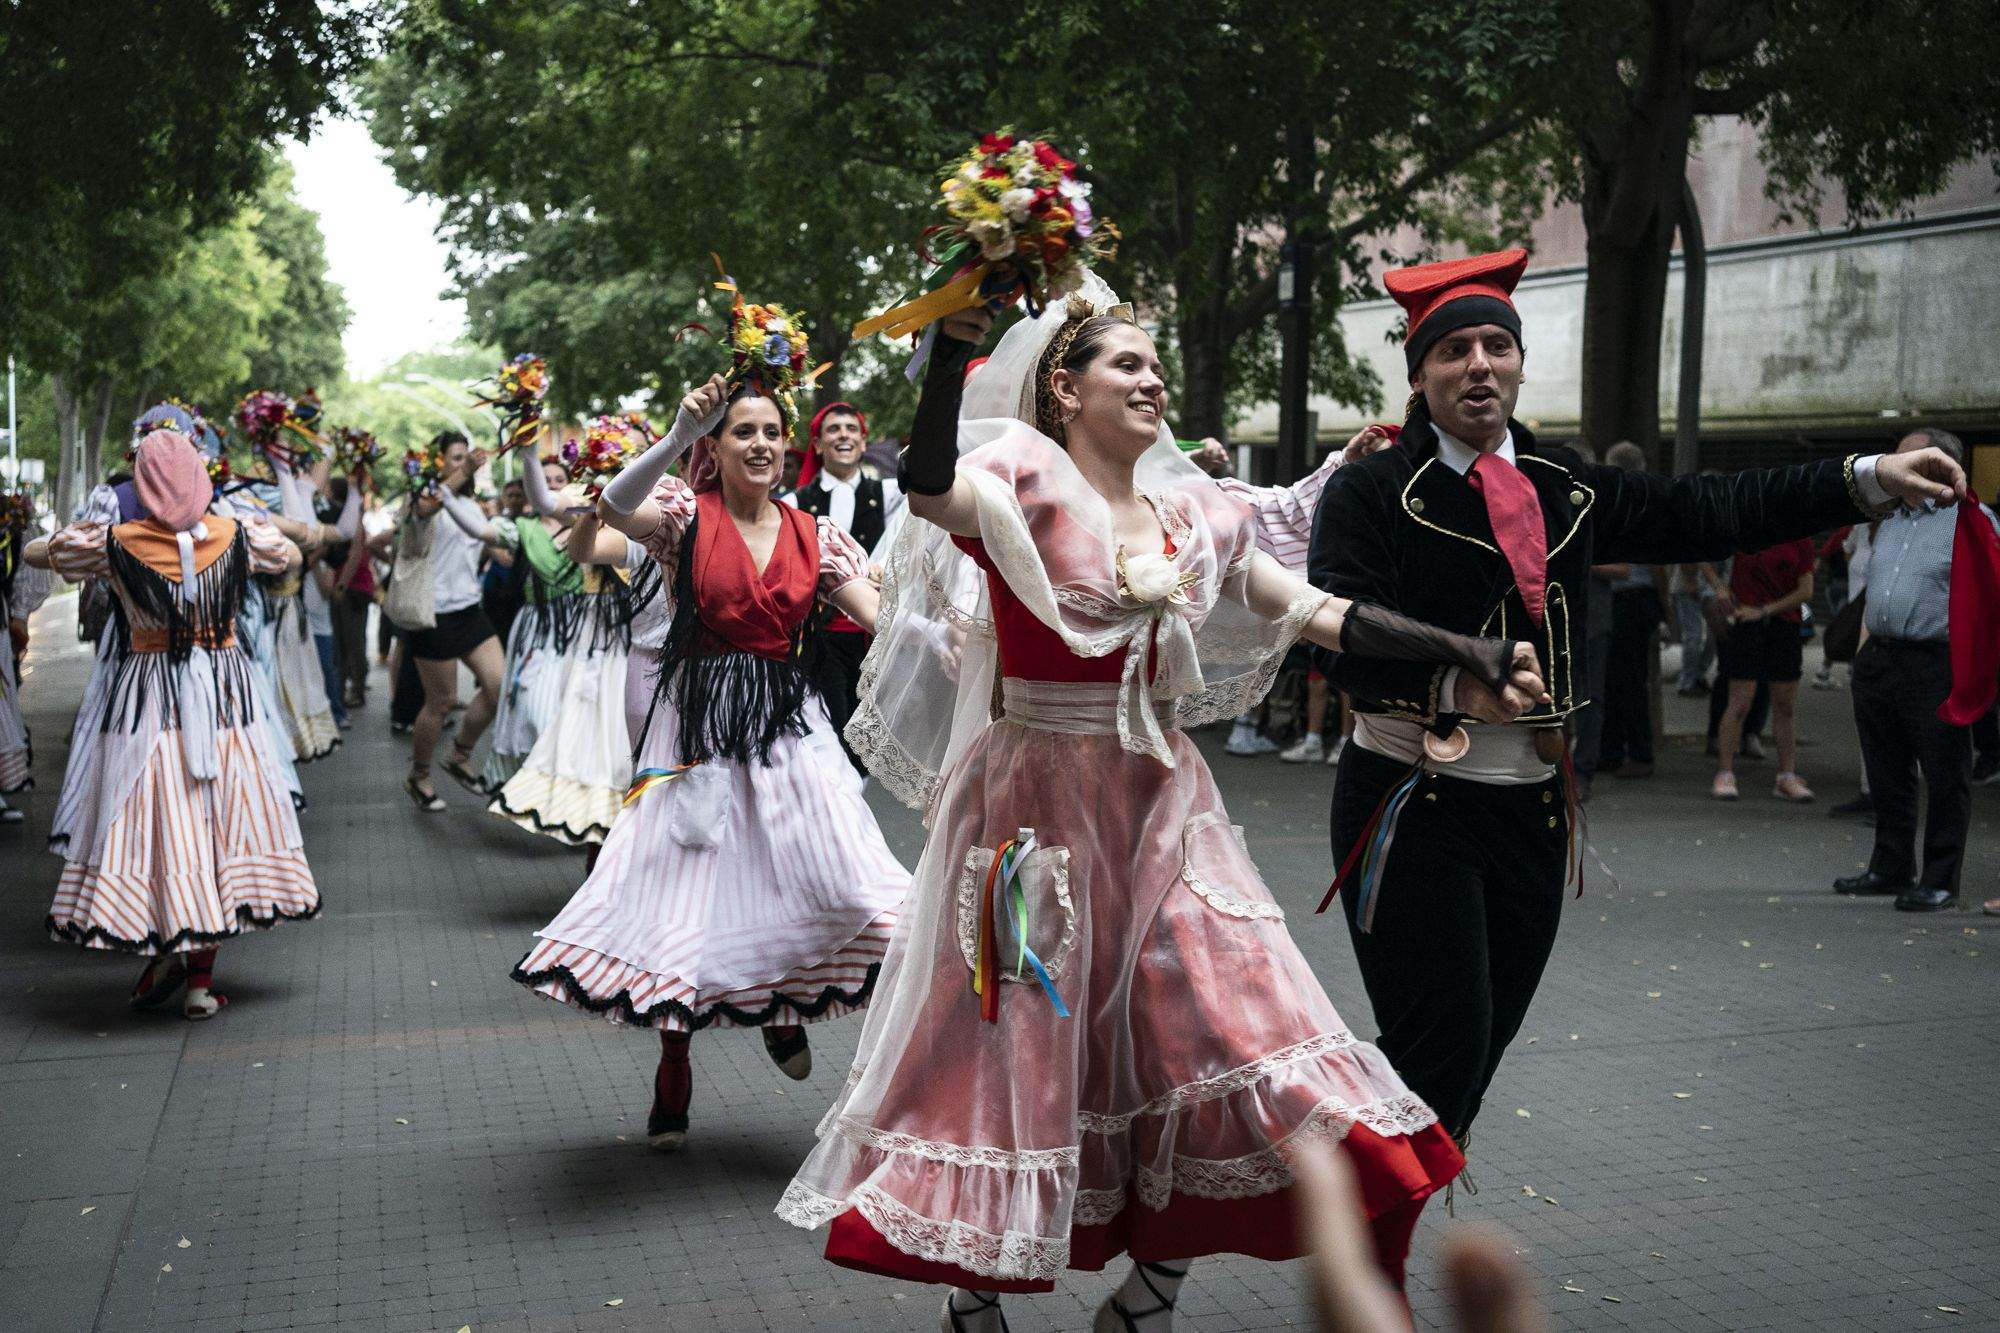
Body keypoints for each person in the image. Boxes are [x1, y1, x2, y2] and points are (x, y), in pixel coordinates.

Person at [780, 279, 1546, 1332]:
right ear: (1065, 386)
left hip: (1162, 809)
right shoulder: (1018, 476)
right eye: (1124, 364)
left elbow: (1318, 610)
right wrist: (953, 352)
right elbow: (927, 490)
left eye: (1154, 365)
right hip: (1024, 814)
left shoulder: (1193, 513)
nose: (1150, 379)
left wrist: (1466, 649)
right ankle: (973, 1298)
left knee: (1219, 1026)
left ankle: (1146, 1297)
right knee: (1013, 1046)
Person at [1307, 247, 1965, 1174]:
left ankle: (1357, 1224)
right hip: (1412, 805)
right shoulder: (1372, 490)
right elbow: (1334, 630)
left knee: (1469, 1061)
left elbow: (1713, 507)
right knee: (1441, 1052)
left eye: (1498, 345)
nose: (1480, 365)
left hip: (1534, 813)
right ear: (1420, 373)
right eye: (1454, 351)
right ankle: (1359, 1260)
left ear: (1522, 364)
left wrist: (1865, 479)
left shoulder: (1566, 485)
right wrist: (1458, 682)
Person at [513, 354, 907, 1153]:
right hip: (693, 730)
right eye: (741, 432)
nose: (758, 443)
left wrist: (964, 635)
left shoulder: (817, 536)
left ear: (786, 445)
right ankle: (674, 1058)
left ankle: (789, 1010)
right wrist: (676, 433)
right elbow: (613, 510)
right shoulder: (682, 517)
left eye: (770, 432)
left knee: (820, 870)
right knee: (687, 895)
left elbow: (880, 617)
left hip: (788, 728)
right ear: (717, 448)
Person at [29, 428, 320, 1019]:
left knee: (163, 822)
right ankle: (197, 985)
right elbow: (288, 556)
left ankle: (165, 948)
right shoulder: (234, 534)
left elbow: (42, 555)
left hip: (145, 697)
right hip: (225, 698)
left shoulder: (117, 543)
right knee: (217, 820)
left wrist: (91, 537)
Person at [1834, 428, 1995, 911]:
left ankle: (1941, 879)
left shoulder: (1971, 519)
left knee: (1946, 774)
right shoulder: (1891, 518)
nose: (1892, 465)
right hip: (1881, 658)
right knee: (1887, 771)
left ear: (1939, 464)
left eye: (1906, 458)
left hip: (1935, 662)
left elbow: (1990, 597)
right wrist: (1864, 656)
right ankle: (1890, 866)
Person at [783, 401, 903, 770]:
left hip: (872, 633)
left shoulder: (887, 493)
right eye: (834, 430)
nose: (844, 436)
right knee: (834, 728)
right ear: (817, 445)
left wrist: (888, 570)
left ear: (864, 442)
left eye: (852, 429)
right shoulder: (795, 502)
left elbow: (915, 529)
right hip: (821, 637)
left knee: (869, 734)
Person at [394, 432, 507, 811]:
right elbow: (426, 507)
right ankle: (419, 774)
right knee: (440, 703)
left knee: (499, 686)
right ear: (439, 462)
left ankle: (460, 754)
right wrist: (464, 472)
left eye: (467, 457)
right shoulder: (421, 498)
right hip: (434, 613)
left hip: (470, 609)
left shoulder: (470, 504)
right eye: (456, 458)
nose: (464, 463)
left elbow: (491, 545)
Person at [1710, 536, 1815, 802]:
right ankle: (1725, 771)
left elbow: (1806, 590)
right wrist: (1720, 587)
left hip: (1784, 624)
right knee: (1740, 702)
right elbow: (1701, 552)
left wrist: (1765, 610)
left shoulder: (1801, 537)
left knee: (1785, 705)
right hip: (1746, 622)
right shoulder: (1748, 525)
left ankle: (1786, 776)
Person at [1594, 443, 1663, 780]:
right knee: (1623, 678)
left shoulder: (1625, 501)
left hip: (1628, 597)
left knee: (1625, 679)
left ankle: (1636, 752)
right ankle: (1615, 749)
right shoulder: (1648, 498)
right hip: (1640, 597)